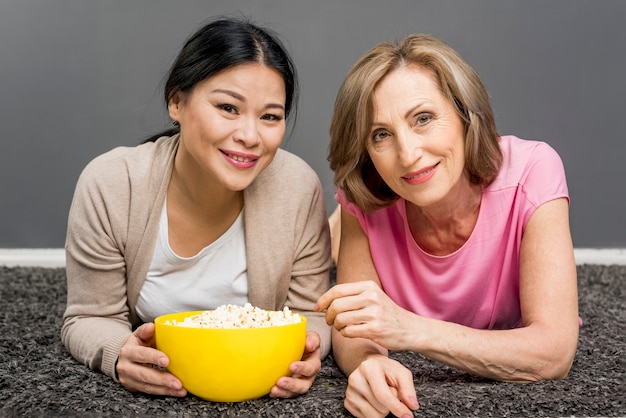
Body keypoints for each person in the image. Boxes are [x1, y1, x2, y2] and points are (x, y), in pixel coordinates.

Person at [62, 17, 332, 399]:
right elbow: (90, 316)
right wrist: (119, 353)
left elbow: (312, 315)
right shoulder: (111, 183)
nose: (250, 136)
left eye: (270, 116)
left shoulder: (297, 187)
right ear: (176, 102)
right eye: (228, 107)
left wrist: (308, 352)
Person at [316, 33, 579, 418]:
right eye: (381, 135)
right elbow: (354, 326)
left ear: (464, 113)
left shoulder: (534, 170)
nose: (408, 155)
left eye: (423, 119)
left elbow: (554, 353)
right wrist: (368, 365)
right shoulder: (365, 196)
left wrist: (410, 329)